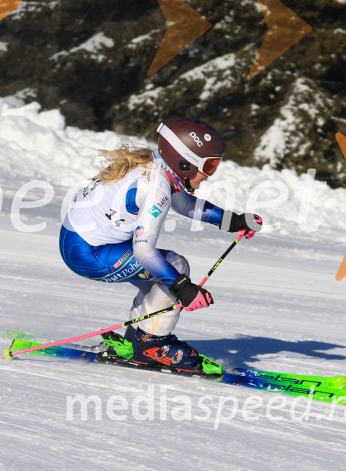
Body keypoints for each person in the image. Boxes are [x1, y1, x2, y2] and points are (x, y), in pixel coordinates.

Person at [59, 117, 262, 373]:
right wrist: (183, 288)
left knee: (159, 278)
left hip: (79, 243)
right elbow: (143, 248)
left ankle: (137, 339)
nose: (209, 176)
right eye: (208, 167)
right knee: (175, 266)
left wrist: (233, 221)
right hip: (89, 253)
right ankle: (151, 345)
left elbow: (185, 205)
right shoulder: (157, 188)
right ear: (184, 162)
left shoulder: (156, 166)